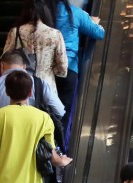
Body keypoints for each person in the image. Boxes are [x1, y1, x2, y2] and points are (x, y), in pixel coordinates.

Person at [51, 0, 105, 134]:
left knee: (47, 108)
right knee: (65, 110)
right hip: (69, 67)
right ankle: (59, 148)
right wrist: (94, 22)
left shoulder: (47, 13)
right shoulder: (75, 12)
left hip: (48, 68)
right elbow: (99, 33)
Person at [3, 1, 68, 97]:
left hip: (20, 87)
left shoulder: (15, 32)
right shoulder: (55, 34)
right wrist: (49, 69)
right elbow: (62, 69)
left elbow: (6, 58)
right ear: (45, 12)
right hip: (46, 87)